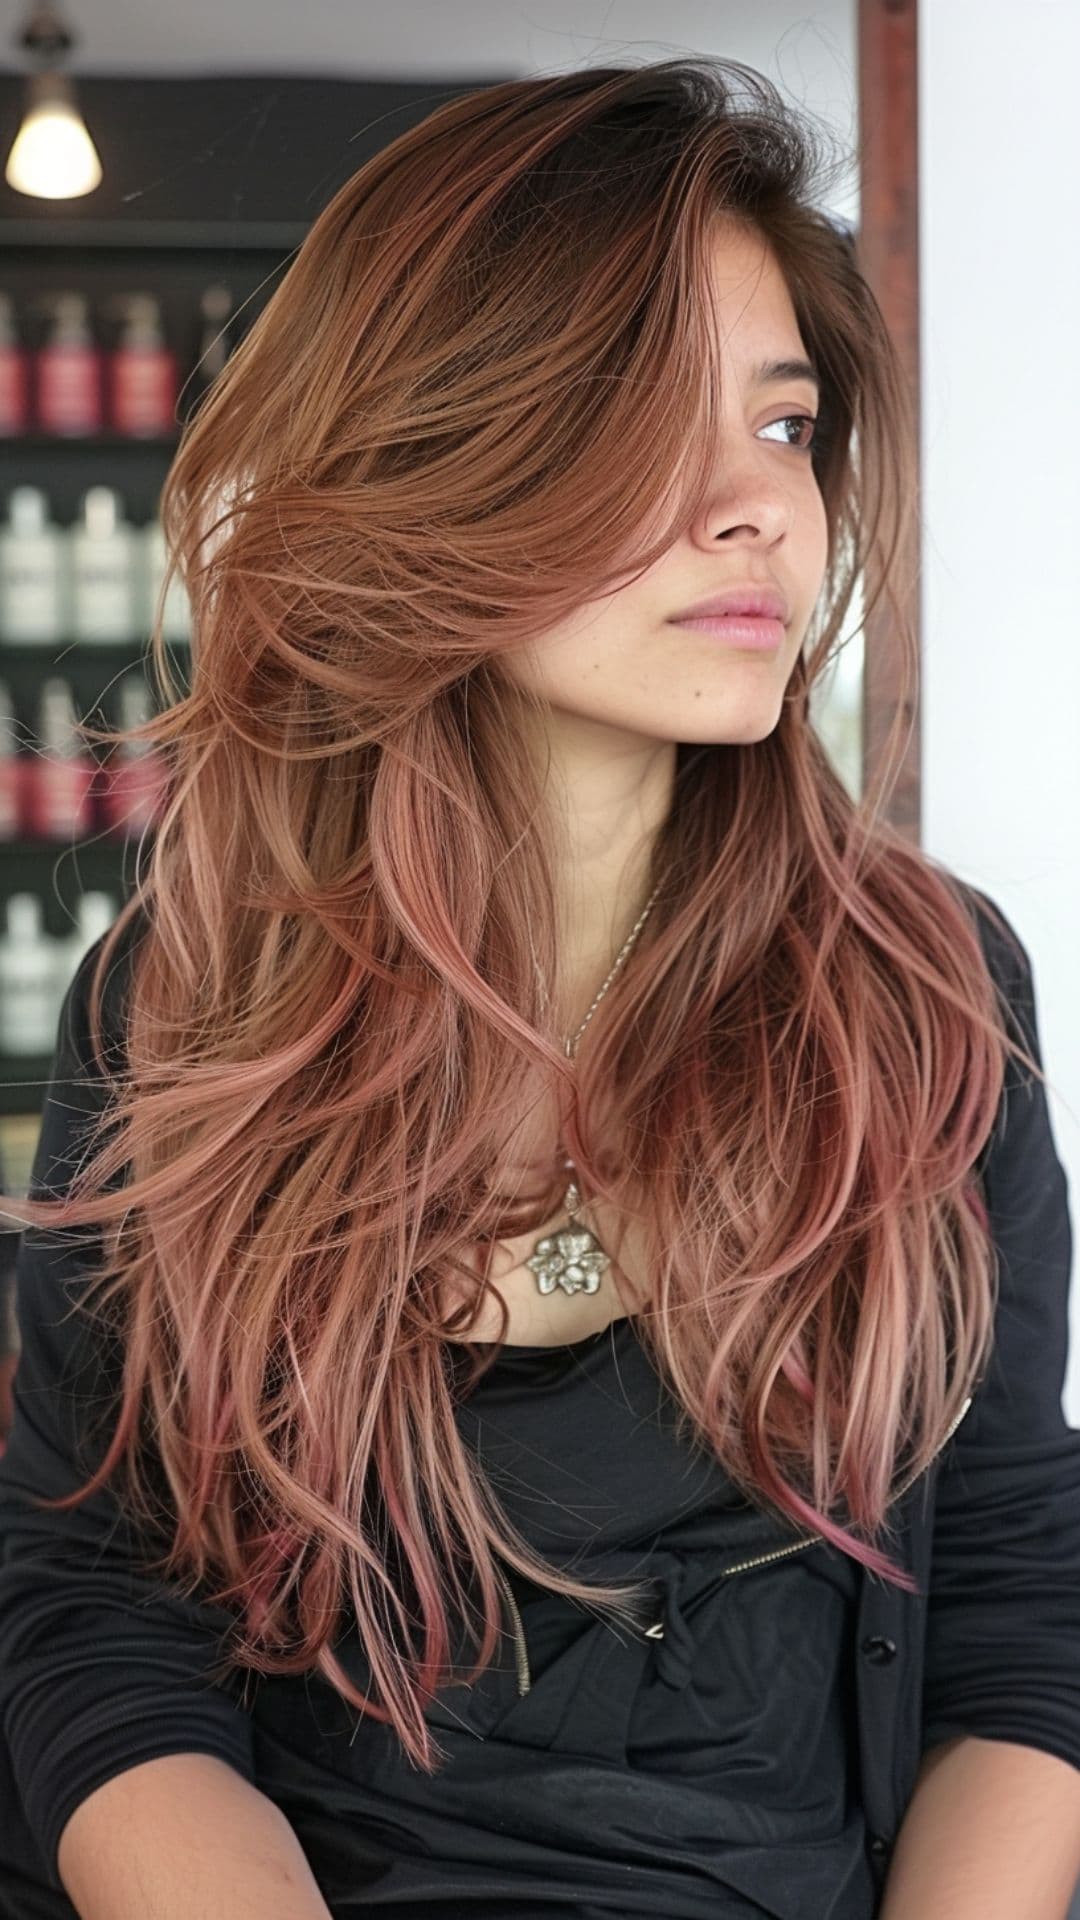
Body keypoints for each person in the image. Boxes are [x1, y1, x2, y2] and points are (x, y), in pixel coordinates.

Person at [1, 56, 1079, 1920]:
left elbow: (1013, 1591)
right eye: (665, 422)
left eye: (790, 426)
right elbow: (100, 1614)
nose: (766, 511)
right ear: (448, 453)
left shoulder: (930, 993)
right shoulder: (184, 1012)